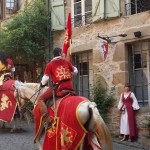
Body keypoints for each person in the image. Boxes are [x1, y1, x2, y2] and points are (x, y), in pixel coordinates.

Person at [37, 47, 78, 129]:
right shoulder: (66, 61)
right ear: (59, 53)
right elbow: (75, 72)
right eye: (62, 53)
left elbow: (45, 79)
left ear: (54, 54)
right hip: (70, 86)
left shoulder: (50, 64)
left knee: (40, 99)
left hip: (59, 87)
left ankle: (47, 120)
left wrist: (42, 84)